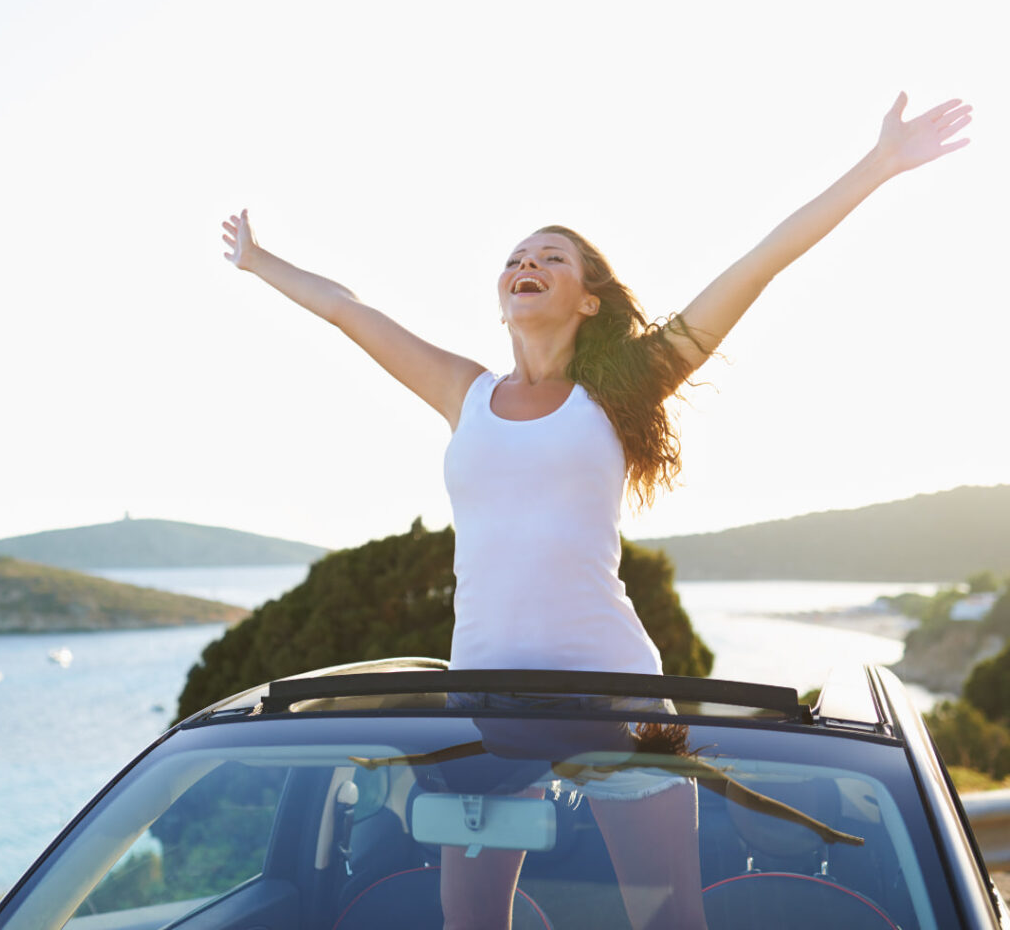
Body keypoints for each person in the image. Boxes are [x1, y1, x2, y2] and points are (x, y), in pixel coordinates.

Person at [221, 92, 970, 929]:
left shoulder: (617, 392)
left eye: (552, 257)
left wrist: (876, 165)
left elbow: (756, 265)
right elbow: (347, 307)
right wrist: (259, 260)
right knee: (468, 923)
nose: (525, 263)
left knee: (666, 920)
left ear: (587, 300)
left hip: (615, 698)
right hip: (485, 709)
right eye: (514, 257)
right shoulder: (462, 393)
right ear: (501, 293)